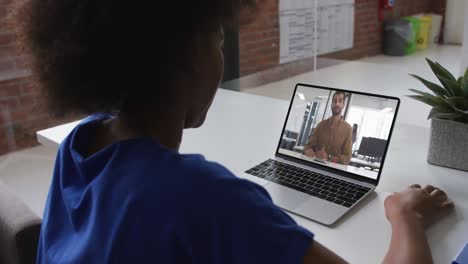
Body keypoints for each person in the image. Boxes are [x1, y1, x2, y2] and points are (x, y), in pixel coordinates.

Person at [14, 0, 454, 263]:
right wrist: (406, 216)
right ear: (186, 55)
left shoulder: (79, 146)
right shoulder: (201, 195)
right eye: (218, 41)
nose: (220, 56)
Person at [303, 92, 353, 165]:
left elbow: (347, 158)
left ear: (343, 105)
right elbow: (307, 146)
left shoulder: (348, 129)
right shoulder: (321, 125)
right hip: (316, 165)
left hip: (333, 170)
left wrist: (329, 157)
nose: (337, 104)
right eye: (334, 101)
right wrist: (308, 151)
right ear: (331, 104)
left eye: (340, 101)